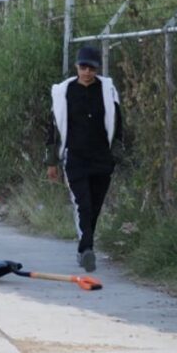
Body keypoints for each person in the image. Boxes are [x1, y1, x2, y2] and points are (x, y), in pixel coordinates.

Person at [45, 46, 124, 272]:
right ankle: (87, 249)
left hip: (101, 158)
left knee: (95, 206)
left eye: (91, 68)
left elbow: (118, 124)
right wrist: (51, 162)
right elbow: (53, 129)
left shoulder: (107, 91)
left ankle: (85, 248)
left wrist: (116, 155)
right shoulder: (63, 92)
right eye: (83, 67)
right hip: (75, 157)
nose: (87, 72)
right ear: (76, 67)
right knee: (83, 204)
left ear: (97, 69)